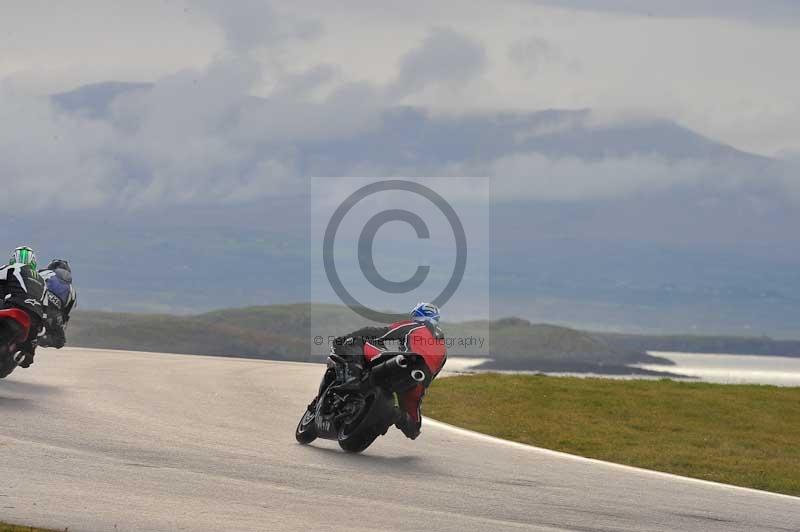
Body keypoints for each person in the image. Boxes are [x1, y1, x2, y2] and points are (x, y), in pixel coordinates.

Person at [319, 302, 447, 440]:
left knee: (358, 342)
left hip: (404, 364)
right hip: (417, 383)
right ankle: (396, 415)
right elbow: (432, 376)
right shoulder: (443, 349)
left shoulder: (413, 326)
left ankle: (352, 381)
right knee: (414, 427)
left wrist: (347, 337)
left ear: (417, 315)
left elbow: (381, 333)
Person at [0, 246, 47, 369]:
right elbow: (45, 308)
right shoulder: (42, 280)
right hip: (35, 318)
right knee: (27, 352)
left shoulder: (11, 268)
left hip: (14, 305)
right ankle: (25, 354)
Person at [38, 259, 77, 349]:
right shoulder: (72, 290)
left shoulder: (43, 273)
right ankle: (40, 338)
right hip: (53, 316)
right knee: (60, 341)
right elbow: (66, 315)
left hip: (35, 307)